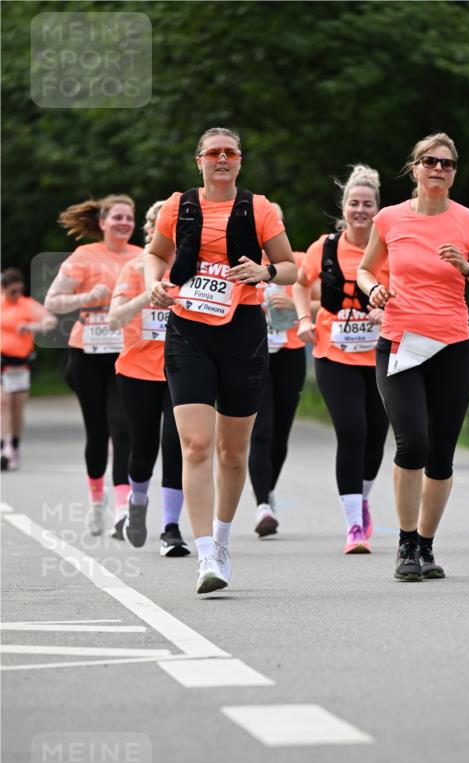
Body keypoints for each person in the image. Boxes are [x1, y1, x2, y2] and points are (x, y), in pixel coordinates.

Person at [145, 126, 297, 595]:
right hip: (188, 330)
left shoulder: (260, 208)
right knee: (195, 446)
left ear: (239, 160)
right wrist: (154, 282)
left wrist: (264, 272)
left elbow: (291, 267)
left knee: (233, 453)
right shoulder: (178, 206)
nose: (222, 159)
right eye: (214, 153)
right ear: (200, 161)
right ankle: (205, 553)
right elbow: (156, 254)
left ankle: (225, 540)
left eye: (230, 152)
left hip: (242, 332)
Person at [358, 132, 469, 581]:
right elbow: (365, 269)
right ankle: (405, 544)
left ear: (454, 173)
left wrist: (468, 268)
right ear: (414, 168)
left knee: (441, 454)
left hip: (452, 347)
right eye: (430, 162)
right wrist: (373, 288)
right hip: (400, 343)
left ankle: (426, 545)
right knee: (413, 443)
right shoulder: (389, 219)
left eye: (447, 164)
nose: (439, 169)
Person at [293, 165, 390, 554]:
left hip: (381, 356)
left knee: (376, 438)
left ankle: (362, 499)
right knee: (351, 431)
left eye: (368, 204)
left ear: (378, 209)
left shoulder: (389, 248)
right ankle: (353, 526)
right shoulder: (324, 247)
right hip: (334, 355)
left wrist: (387, 313)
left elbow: (405, 290)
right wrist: (303, 319)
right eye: (354, 203)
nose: (360, 210)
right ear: (344, 207)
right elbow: (300, 283)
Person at [45, 195, 142, 535]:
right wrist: (86, 298)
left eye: (129, 218)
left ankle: (122, 510)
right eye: (117, 217)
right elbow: (53, 302)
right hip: (86, 354)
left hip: (126, 353)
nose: (123, 223)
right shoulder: (84, 256)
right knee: (98, 432)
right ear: (102, 222)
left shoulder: (142, 257)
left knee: (123, 428)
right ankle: (95, 502)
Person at [108, 201, 189, 557]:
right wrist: (150, 293)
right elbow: (114, 319)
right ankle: (137, 506)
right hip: (137, 373)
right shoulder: (134, 268)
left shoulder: (192, 268)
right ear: (151, 231)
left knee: (177, 446)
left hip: (182, 370)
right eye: (160, 226)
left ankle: (171, 528)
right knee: (143, 450)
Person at [248, 205, 319, 537]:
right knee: (261, 430)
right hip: (253, 354)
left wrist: (296, 306)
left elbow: (330, 302)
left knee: (280, 433)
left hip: (289, 353)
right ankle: (262, 505)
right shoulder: (244, 261)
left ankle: (269, 490)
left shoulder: (299, 260)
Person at [0, 268, 56, 471]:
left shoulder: (27, 305)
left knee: (16, 408)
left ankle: (14, 446)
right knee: (3, 403)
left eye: (19, 290)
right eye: (12, 291)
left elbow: (50, 321)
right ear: (3, 289)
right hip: (2, 360)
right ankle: (4, 447)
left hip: (21, 363)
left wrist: (31, 327)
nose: (16, 295)